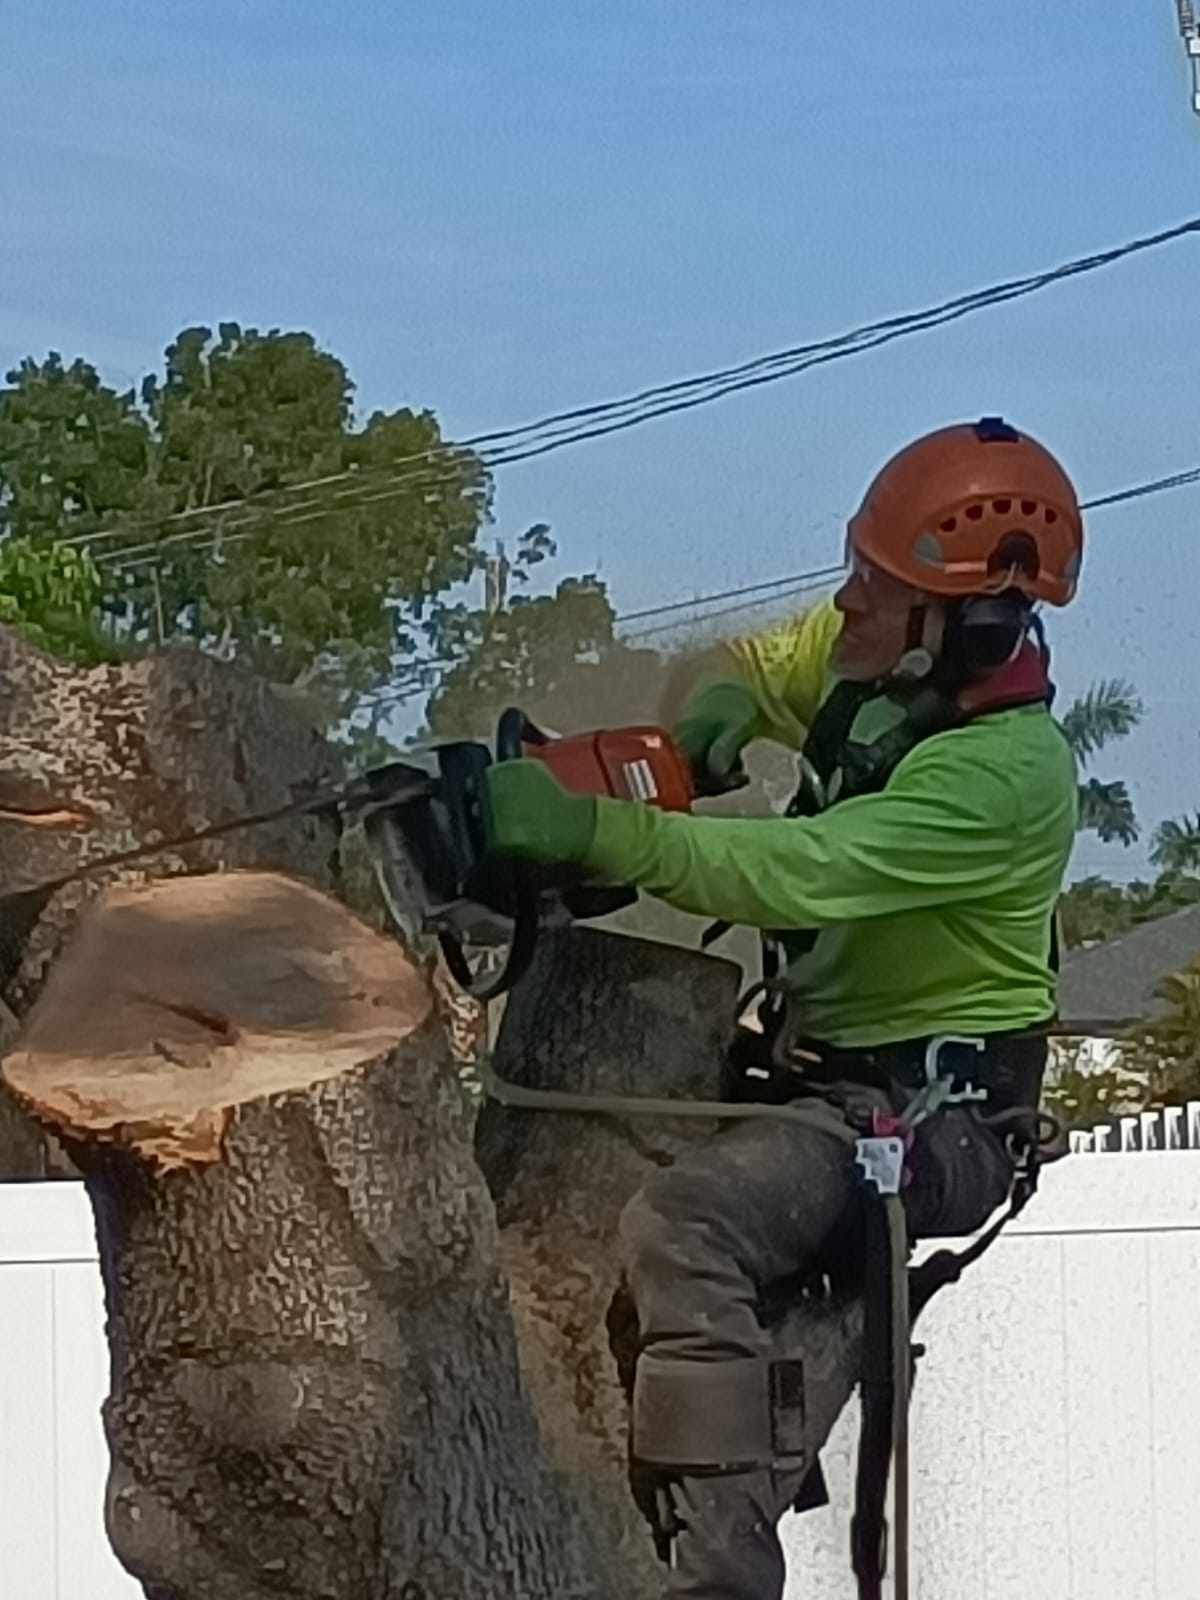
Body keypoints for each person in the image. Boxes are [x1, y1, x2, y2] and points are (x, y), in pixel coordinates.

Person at [484, 417, 1082, 1599]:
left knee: (689, 1222)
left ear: (971, 620)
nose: (850, 602)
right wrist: (706, 723)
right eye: (861, 570)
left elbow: (795, 869)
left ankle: (725, 1581)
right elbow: (757, 668)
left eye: (881, 587)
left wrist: (607, 828)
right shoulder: (878, 667)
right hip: (824, 1075)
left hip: (932, 1115)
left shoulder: (1007, 777)